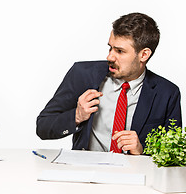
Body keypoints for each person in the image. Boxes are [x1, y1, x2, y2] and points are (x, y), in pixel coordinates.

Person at [36, 12, 182, 155]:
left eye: (120, 51)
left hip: (133, 175)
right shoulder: (82, 74)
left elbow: (173, 154)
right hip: (87, 171)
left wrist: (141, 150)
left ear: (144, 54)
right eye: (110, 47)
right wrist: (77, 116)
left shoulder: (167, 93)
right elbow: (42, 127)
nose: (110, 56)